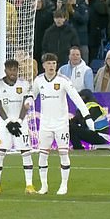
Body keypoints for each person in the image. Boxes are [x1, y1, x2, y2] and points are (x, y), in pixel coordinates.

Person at [32, 53, 94, 195]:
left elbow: (76, 98)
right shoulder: (38, 80)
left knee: (63, 154)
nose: (51, 66)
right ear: (43, 66)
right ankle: (44, 186)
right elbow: (32, 95)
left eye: (54, 63)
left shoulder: (63, 80)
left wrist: (87, 116)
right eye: (49, 64)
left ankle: (63, 185)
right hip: (45, 124)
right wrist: (28, 101)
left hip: (61, 124)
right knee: (43, 154)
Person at [0, 59, 35, 195]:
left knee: (26, 153)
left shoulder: (25, 84)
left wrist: (20, 121)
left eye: (14, 69)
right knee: (0, 153)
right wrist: (9, 122)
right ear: (5, 70)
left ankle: (29, 185)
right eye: (10, 69)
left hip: (21, 124)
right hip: (5, 124)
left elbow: (26, 104)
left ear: (18, 70)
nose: (12, 72)